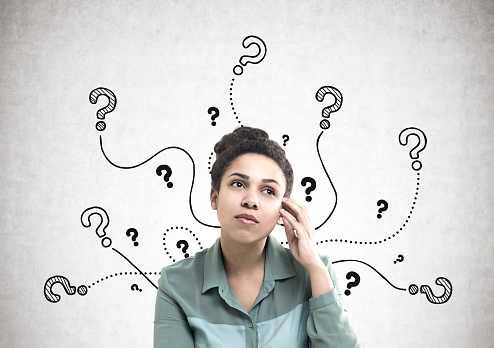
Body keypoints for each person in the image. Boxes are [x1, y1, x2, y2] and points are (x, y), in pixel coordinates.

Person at [154, 126, 361, 347]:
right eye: (238, 184)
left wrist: (315, 267)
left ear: (284, 211)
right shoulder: (175, 284)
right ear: (214, 197)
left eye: (268, 191)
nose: (251, 200)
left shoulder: (316, 273)